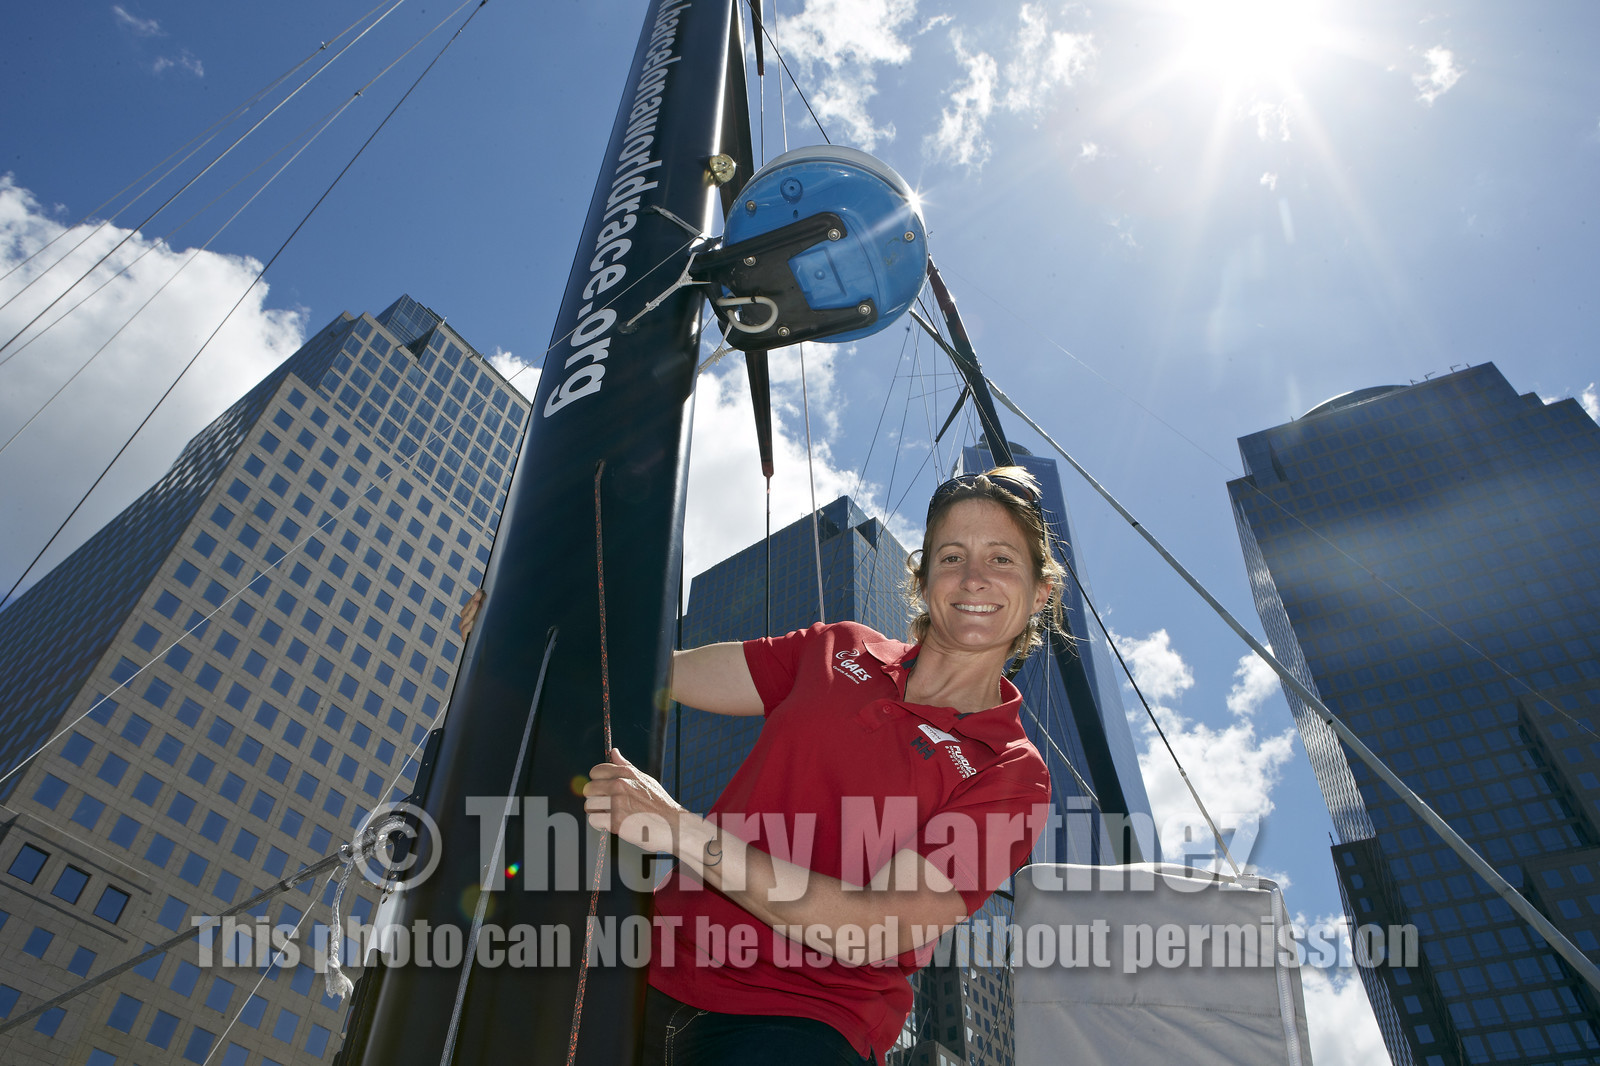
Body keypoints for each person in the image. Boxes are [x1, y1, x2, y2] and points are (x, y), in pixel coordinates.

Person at [459, 467, 1063, 1065]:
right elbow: (654, 671)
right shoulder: (841, 647)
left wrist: (678, 829)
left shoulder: (1013, 772)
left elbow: (872, 928)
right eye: (952, 555)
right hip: (649, 964)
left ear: (1041, 593)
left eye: (1003, 560)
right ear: (924, 575)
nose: (974, 578)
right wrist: (522, 627)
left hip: (805, 1019)